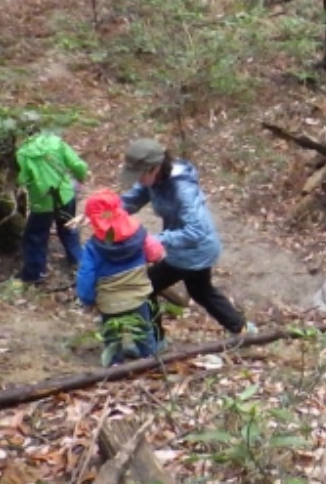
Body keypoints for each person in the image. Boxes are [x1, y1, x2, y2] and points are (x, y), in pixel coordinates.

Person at [120, 137, 253, 338]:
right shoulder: (154, 181)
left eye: (139, 175)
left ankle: (154, 341)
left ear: (154, 168)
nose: (137, 180)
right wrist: (106, 213)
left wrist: (157, 240)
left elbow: (196, 230)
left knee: (145, 288)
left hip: (195, 249)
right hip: (187, 248)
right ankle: (244, 330)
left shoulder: (183, 189)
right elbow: (134, 198)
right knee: (201, 291)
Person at [75, 189, 165, 365]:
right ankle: (151, 361)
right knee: (144, 331)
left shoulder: (93, 247)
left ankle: (114, 364)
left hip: (109, 302)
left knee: (112, 336)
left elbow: (86, 274)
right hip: (138, 296)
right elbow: (155, 252)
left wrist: (87, 298)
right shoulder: (139, 232)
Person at [14, 131, 87, 285]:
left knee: (35, 236)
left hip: (42, 202)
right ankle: (79, 262)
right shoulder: (56, 142)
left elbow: (22, 179)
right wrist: (81, 177)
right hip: (66, 195)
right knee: (68, 228)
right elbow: (78, 165)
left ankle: (35, 274)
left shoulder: (23, 153)